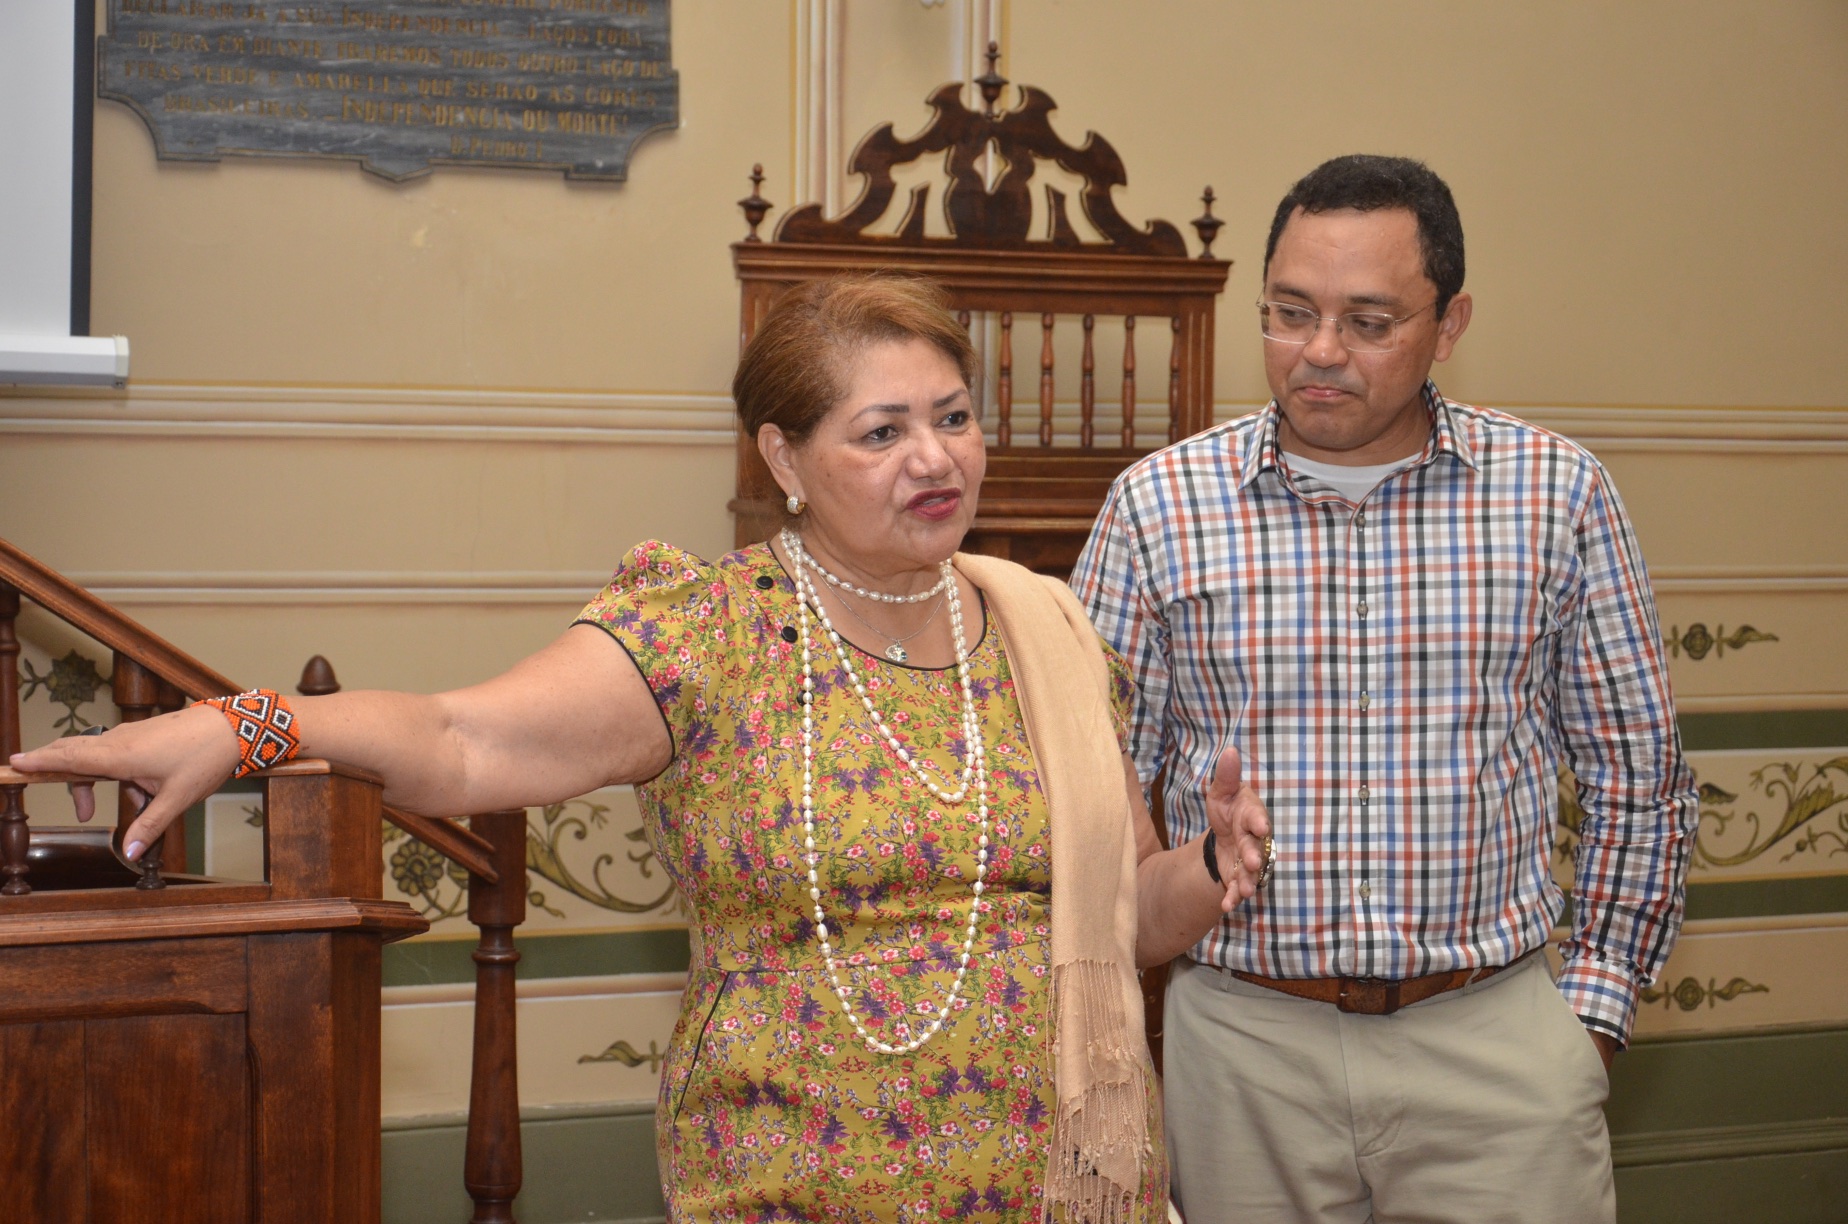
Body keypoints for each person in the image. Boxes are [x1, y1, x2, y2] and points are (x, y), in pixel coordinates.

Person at [16, 275, 1269, 1223]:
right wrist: (245, 724)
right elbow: (463, 740)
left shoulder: (1050, 630)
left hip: (1051, 1183)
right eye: (880, 432)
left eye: (951, 417)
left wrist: (1207, 874)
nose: (934, 458)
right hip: (792, 1178)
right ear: (784, 458)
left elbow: (1129, 920)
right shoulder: (713, 631)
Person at [1070, 154, 1699, 1223]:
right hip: (1242, 1049)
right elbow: (1086, 800)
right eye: (1290, 312)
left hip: (1494, 1046)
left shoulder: (1556, 494)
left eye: (1369, 322)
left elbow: (1640, 780)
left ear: (1448, 324)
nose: (1319, 353)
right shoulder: (1158, 508)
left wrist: (1586, 1021)